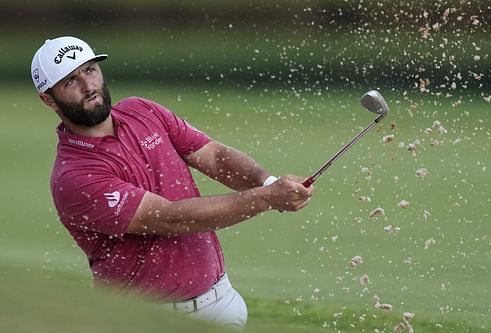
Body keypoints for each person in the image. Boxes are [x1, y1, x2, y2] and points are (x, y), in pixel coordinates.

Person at [31, 36, 313, 329]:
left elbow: (214, 156)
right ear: (49, 99)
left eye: (90, 70)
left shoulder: (142, 111)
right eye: (70, 82)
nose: (88, 86)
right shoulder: (75, 175)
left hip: (221, 301)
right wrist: (267, 197)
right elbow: (170, 219)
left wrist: (267, 181)